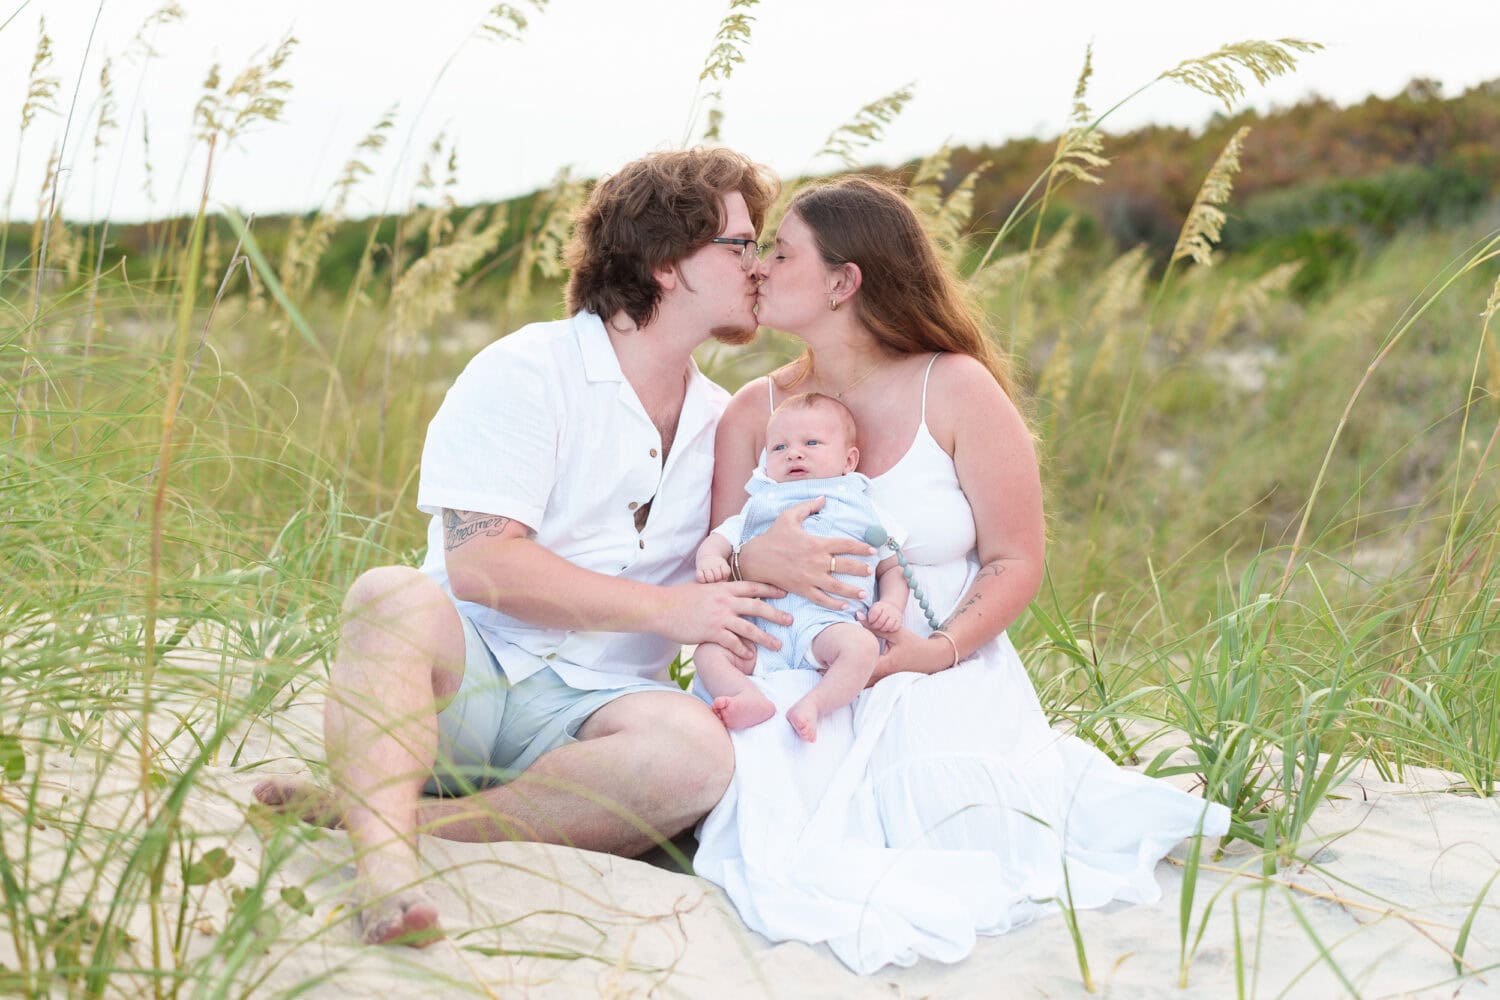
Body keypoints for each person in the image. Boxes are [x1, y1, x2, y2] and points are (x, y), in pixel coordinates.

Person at [692, 175, 1231, 973]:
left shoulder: (954, 386)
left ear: (844, 282)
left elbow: (1016, 557)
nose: (759, 268)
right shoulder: (755, 414)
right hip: (787, 655)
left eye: (780, 252)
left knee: (951, 822)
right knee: (772, 800)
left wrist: (931, 650)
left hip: (940, 666)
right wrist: (744, 559)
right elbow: (717, 558)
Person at [253, 148, 790, 947]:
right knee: (388, 596)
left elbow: (732, 557)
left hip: (591, 714)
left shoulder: (726, 421)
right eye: (740, 244)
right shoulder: (526, 371)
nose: (758, 265)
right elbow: (481, 564)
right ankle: (387, 877)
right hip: (467, 678)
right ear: (669, 264)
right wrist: (670, 609)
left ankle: (425, 821)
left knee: (697, 756)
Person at [693, 392, 908, 741]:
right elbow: (722, 537)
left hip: (827, 624)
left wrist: (891, 604)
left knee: (862, 648)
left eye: (811, 442)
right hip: (761, 629)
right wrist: (710, 559)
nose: (794, 452)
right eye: (778, 448)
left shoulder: (861, 505)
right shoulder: (761, 503)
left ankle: (816, 705)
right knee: (709, 653)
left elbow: (893, 565)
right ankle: (746, 695)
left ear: (849, 460)